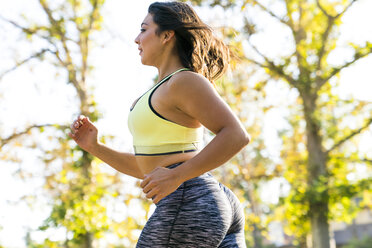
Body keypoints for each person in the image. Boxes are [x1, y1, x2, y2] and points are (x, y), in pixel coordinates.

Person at [69, 1, 250, 247]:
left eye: (144, 29)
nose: (136, 39)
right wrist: (95, 147)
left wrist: (177, 176)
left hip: (189, 199)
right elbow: (150, 169)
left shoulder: (183, 81)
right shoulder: (161, 90)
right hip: (201, 199)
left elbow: (236, 135)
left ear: (167, 35)